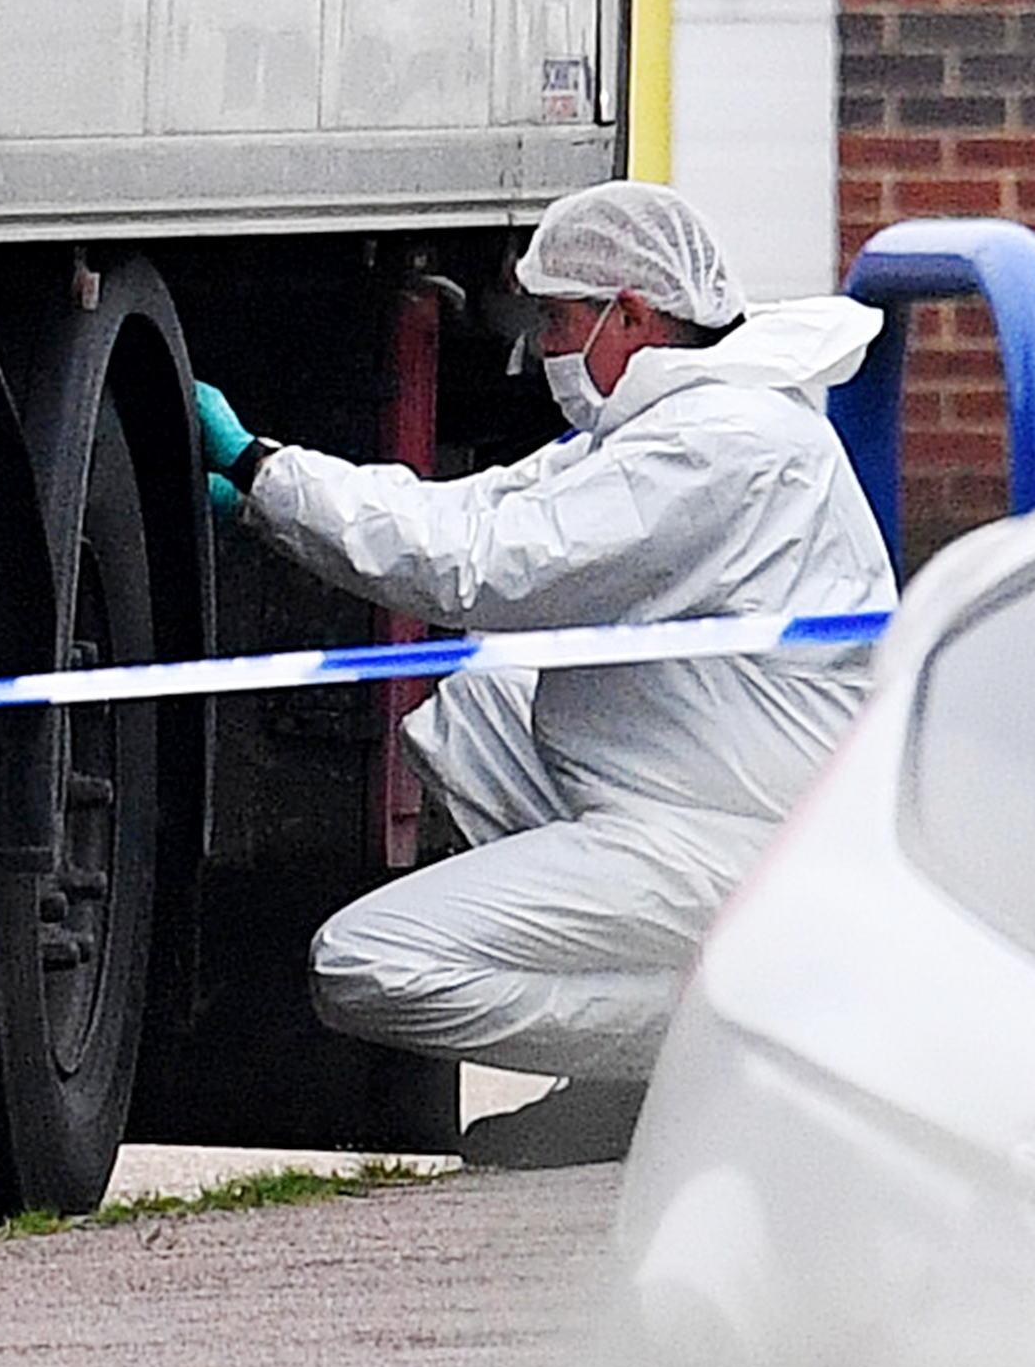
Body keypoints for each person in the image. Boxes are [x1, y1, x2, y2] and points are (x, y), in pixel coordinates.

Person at [196, 181, 897, 1166]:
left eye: (560, 320)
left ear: (634, 315)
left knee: (364, 964)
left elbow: (485, 566)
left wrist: (262, 466)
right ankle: (649, 1057)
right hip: (718, 790)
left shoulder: (718, 446)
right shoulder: (684, 417)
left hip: (740, 840)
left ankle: (729, 1044)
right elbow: (475, 509)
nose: (544, 349)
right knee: (477, 707)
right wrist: (271, 495)